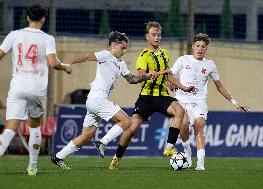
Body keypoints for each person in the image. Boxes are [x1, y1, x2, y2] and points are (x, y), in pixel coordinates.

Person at [51, 31, 157, 170]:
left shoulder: (120, 63)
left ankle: (58, 157)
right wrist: (69, 62)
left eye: (125, 48)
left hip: (95, 101)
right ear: (113, 45)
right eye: (122, 48)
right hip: (97, 98)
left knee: (86, 136)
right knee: (126, 121)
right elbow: (88, 56)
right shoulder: (105, 55)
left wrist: (147, 76)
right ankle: (102, 142)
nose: (124, 51)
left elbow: (132, 79)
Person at [103, 21, 196, 170]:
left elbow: (169, 75)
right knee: (132, 129)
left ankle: (169, 146)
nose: (157, 37)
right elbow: (142, 76)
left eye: (159, 34)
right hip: (146, 97)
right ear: (147, 36)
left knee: (180, 110)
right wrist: (159, 74)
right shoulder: (143, 55)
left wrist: (184, 87)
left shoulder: (164, 53)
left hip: (162, 96)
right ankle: (116, 158)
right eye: (154, 34)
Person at [0, 4, 72, 176]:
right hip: (37, 88)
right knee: (35, 127)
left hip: (17, 86)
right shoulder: (47, 38)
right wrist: (65, 67)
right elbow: (53, 63)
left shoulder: (14, 35)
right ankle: (32, 167)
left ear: (27, 18)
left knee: (10, 128)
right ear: (43, 19)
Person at [170, 33, 249, 171]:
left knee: (199, 127)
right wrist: (169, 84)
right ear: (193, 47)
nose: (200, 49)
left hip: (199, 102)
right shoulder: (183, 60)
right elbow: (169, 75)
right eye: (198, 46)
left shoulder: (210, 65)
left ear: (206, 49)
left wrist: (235, 102)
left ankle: (200, 163)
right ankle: (188, 153)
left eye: (203, 46)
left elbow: (219, 86)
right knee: (183, 125)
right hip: (182, 100)